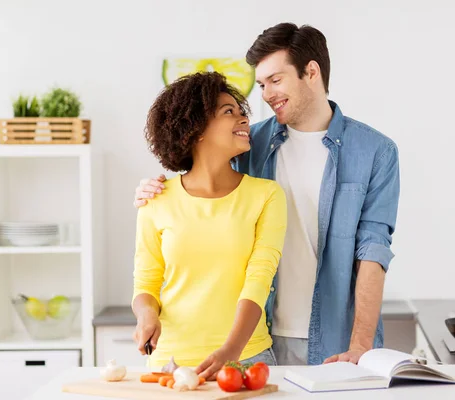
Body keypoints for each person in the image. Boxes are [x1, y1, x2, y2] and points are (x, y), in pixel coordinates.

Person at [134, 22, 400, 366]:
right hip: (257, 336)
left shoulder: (375, 151)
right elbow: (201, 182)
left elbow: (373, 250)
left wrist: (361, 345)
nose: (265, 94)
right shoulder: (249, 144)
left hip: (338, 339)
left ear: (311, 72)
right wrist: (152, 188)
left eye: (275, 80)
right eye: (261, 84)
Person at [132, 71, 287, 380]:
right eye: (228, 111)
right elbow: (146, 284)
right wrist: (147, 315)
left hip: (246, 356)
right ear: (196, 129)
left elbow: (259, 280)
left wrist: (232, 350)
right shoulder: (156, 199)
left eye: (242, 112)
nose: (244, 119)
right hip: (170, 361)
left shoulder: (266, 195)